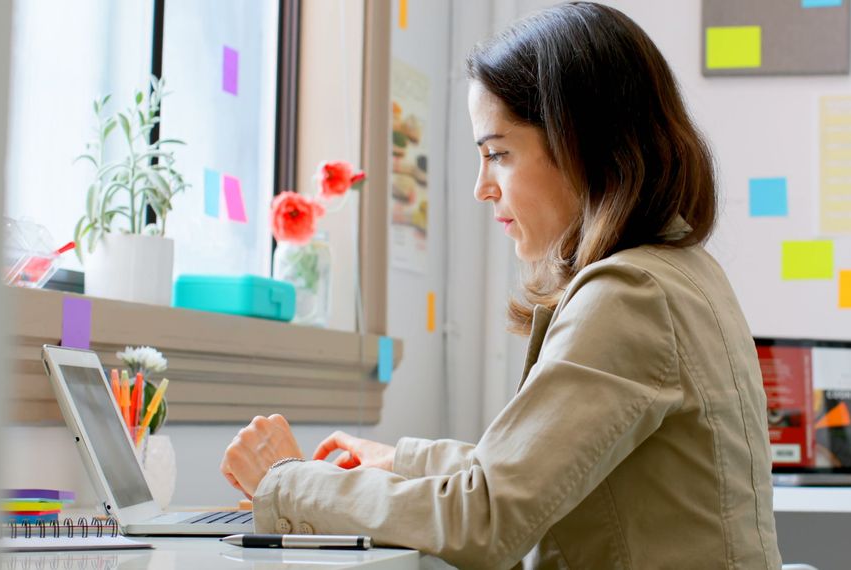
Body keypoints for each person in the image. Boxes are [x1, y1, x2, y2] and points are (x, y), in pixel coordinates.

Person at [221, 3, 781, 567]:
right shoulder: (680, 274)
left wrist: (286, 481)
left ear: (582, 145)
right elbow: (537, 468)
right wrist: (403, 462)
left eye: (498, 155)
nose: (482, 187)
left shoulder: (630, 296)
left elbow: (484, 520)